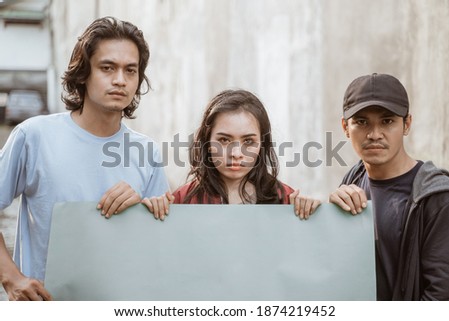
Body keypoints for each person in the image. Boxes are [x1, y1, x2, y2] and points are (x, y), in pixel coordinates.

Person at [0, 16, 169, 300]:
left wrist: (141, 208)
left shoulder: (146, 151)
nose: (120, 80)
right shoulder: (34, 136)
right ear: (84, 73)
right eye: (107, 68)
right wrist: (11, 277)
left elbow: (158, 247)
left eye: (131, 70)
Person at [329, 73, 449, 300]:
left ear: (407, 124)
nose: (374, 134)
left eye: (387, 121)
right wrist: (328, 216)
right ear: (345, 127)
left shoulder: (437, 198)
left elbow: (441, 297)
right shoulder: (352, 181)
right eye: (361, 122)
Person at [142, 89, 320, 220]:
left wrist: (311, 213)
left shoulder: (285, 199)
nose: (236, 153)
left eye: (248, 142)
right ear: (207, 142)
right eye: (224, 140)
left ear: (262, 144)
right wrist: (152, 213)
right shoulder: (183, 200)